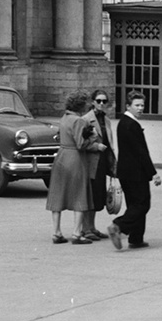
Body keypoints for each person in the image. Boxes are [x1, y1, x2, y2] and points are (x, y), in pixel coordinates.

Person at [46, 91, 109, 245]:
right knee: (80, 193)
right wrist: (94, 141)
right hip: (75, 158)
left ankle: (56, 232)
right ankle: (76, 233)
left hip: (62, 156)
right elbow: (81, 144)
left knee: (58, 194)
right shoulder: (78, 121)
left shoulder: (64, 118)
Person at [108, 91, 161, 250]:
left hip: (126, 171)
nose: (140, 108)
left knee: (134, 204)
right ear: (128, 106)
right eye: (137, 105)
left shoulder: (124, 122)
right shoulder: (132, 125)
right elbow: (141, 152)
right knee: (142, 204)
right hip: (136, 172)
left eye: (142, 105)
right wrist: (153, 173)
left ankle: (136, 237)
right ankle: (119, 225)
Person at [82, 89, 116, 239]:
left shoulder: (106, 120)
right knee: (89, 195)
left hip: (102, 161)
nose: (101, 104)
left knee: (97, 196)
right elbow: (80, 143)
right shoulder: (86, 119)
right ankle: (85, 228)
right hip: (90, 162)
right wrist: (95, 147)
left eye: (104, 101)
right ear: (93, 102)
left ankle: (92, 227)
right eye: (99, 101)